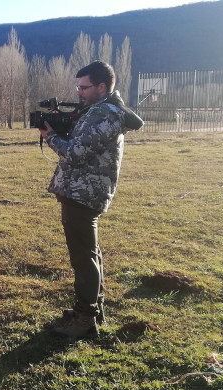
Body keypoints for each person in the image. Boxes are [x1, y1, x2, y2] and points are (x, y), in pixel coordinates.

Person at [38, 61, 142, 339]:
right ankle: (91, 310)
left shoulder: (104, 114)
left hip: (84, 194)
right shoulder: (100, 112)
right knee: (90, 254)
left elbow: (75, 152)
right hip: (81, 192)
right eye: (78, 87)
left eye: (84, 88)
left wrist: (51, 137)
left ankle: (85, 319)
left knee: (84, 259)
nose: (79, 92)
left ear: (101, 87)